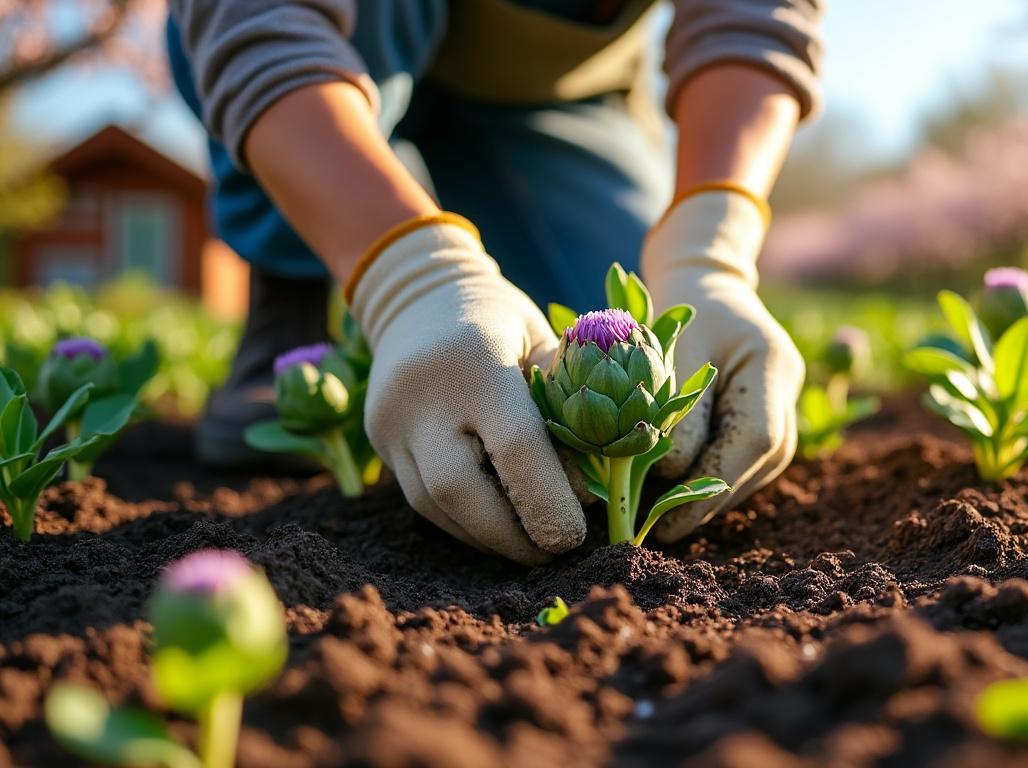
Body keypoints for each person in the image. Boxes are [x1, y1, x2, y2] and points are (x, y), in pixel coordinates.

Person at [167, 0, 823, 564]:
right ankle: (292, 297)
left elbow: (754, 15)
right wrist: (409, 278)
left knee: (607, 333)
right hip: (335, 45)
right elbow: (256, 19)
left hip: (548, 88)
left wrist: (709, 251)